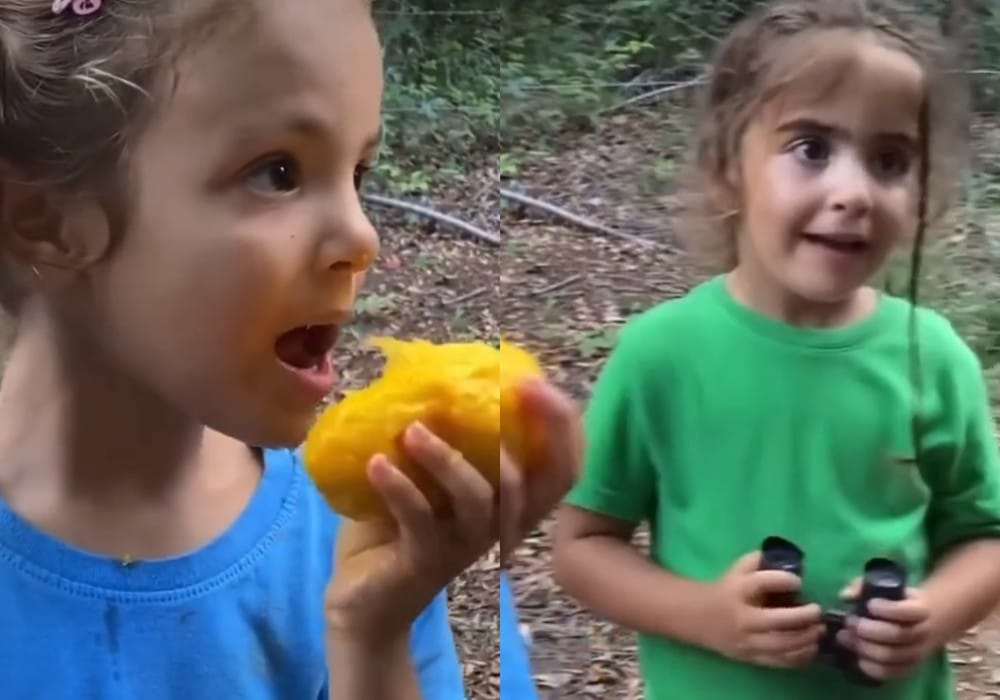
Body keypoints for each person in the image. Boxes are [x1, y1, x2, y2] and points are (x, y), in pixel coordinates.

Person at [0, 1, 579, 698]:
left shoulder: (377, 533)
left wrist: (372, 639)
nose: (363, 236)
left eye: (359, 172)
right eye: (278, 172)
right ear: (44, 221)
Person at [552, 1, 1000, 699]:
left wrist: (932, 616)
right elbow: (582, 548)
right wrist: (707, 617)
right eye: (811, 149)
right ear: (730, 165)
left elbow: (985, 538)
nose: (852, 192)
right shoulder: (663, 355)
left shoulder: (933, 358)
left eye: (889, 160)